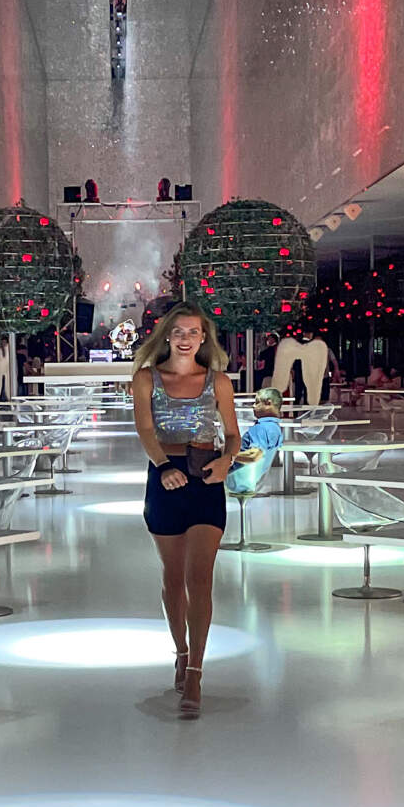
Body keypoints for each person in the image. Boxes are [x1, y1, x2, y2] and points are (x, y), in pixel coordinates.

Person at [132, 301, 240, 716]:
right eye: (178, 331)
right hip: (165, 478)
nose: (185, 339)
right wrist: (163, 467)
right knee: (173, 577)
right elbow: (145, 429)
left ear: (203, 337)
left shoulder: (218, 382)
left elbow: (233, 434)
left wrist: (226, 462)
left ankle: (195, 670)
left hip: (206, 478)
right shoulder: (147, 379)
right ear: (166, 335)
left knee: (201, 577)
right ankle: (180, 651)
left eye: (193, 332)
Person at [230, 388, 283, 478]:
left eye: (257, 402)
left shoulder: (261, 428)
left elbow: (254, 456)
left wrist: (228, 457)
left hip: (237, 477)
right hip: (253, 478)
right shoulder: (275, 428)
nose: (253, 406)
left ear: (268, 403)